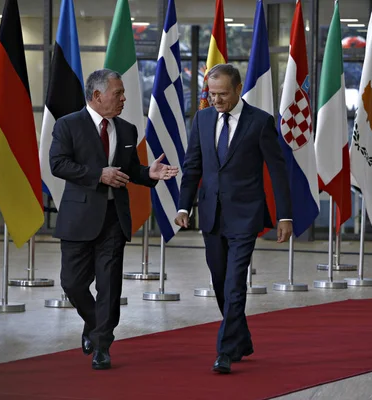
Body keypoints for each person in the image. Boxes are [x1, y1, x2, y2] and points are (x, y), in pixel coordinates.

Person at [50, 68, 178, 370]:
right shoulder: (67, 125)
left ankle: (102, 346)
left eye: (123, 93)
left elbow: (130, 169)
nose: (124, 98)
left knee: (109, 286)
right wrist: (98, 175)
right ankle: (94, 324)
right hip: (78, 218)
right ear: (97, 96)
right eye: (118, 93)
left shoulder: (127, 129)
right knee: (72, 283)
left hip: (113, 220)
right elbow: (58, 164)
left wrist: (149, 173)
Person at [174, 64, 293, 374]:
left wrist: (285, 216)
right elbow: (193, 167)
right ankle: (241, 340)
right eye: (211, 94)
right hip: (211, 215)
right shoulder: (202, 119)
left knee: (234, 283)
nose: (216, 100)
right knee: (218, 282)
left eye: (222, 94)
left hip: (245, 216)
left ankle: (225, 352)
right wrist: (184, 207)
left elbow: (278, 171)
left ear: (238, 89)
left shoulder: (260, 122)